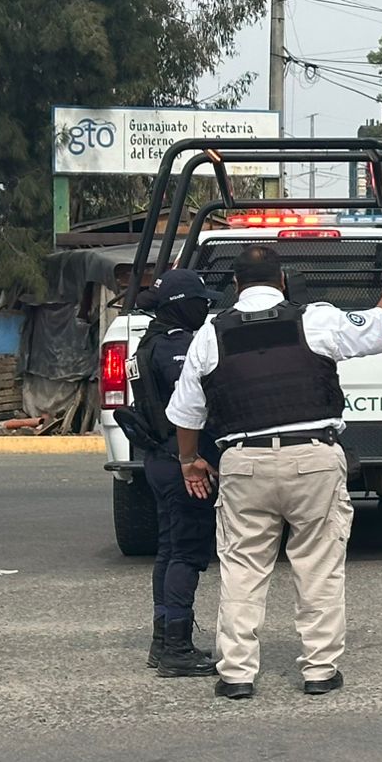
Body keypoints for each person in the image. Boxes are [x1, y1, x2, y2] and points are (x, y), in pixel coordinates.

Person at [168, 245, 382, 700]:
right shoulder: (315, 318)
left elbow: (186, 414)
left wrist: (189, 460)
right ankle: (319, 670)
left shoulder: (209, 333)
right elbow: (378, 330)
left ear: (236, 285)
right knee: (318, 566)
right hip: (312, 459)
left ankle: (237, 674)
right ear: (281, 281)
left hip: (243, 463)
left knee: (242, 569)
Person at [122, 269, 218, 678]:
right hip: (182, 461)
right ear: (183, 306)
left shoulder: (148, 344)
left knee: (169, 549)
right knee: (187, 552)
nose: (208, 307)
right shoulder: (177, 349)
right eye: (202, 302)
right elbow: (191, 406)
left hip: (158, 459)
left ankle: (163, 641)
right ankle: (176, 647)